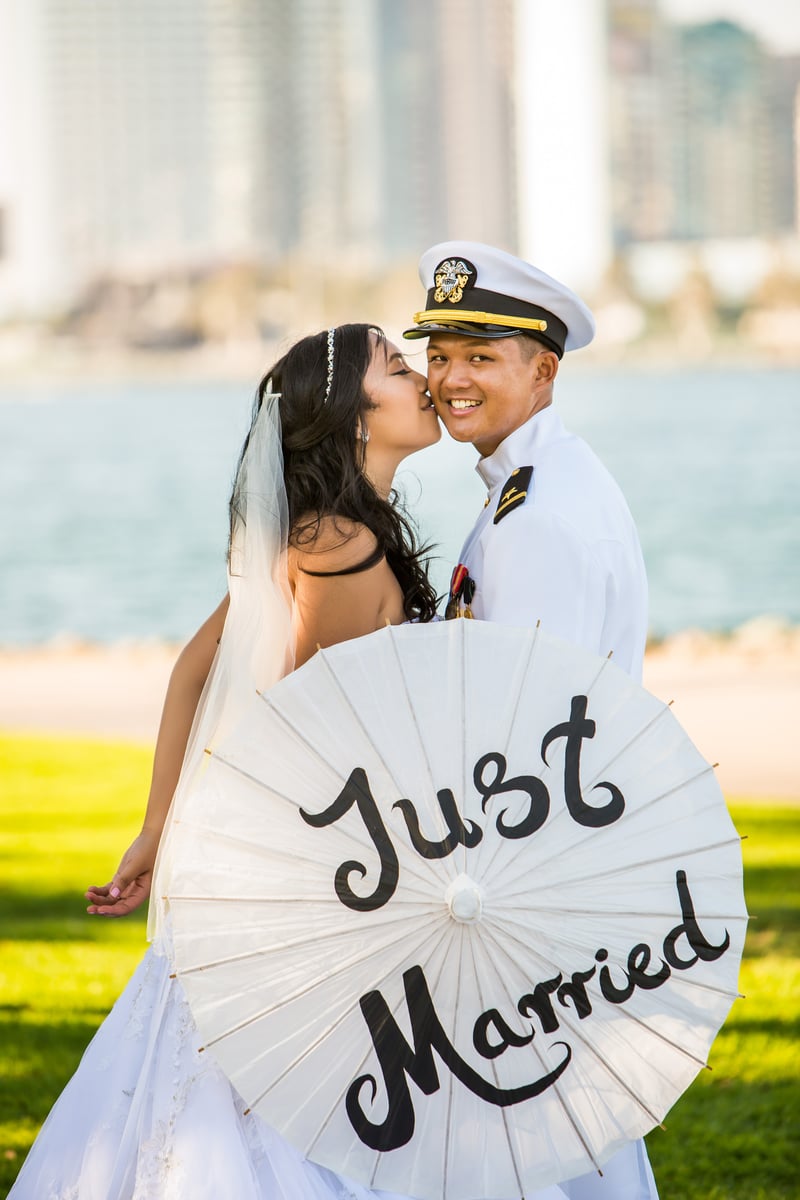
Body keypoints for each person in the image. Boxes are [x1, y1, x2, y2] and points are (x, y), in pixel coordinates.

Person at [8, 323, 443, 1200]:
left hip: (256, 857)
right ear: (353, 415)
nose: (424, 378)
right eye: (399, 367)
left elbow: (190, 672)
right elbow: (315, 737)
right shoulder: (342, 549)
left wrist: (157, 827)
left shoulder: (315, 533)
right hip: (306, 870)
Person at [404, 241, 658, 1199]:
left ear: (544, 371)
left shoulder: (538, 516)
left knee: (533, 1131)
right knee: (573, 1136)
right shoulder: (536, 486)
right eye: (440, 355)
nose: (451, 379)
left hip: (528, 877)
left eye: (482, 356)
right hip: (551, 870)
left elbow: (534, 744)